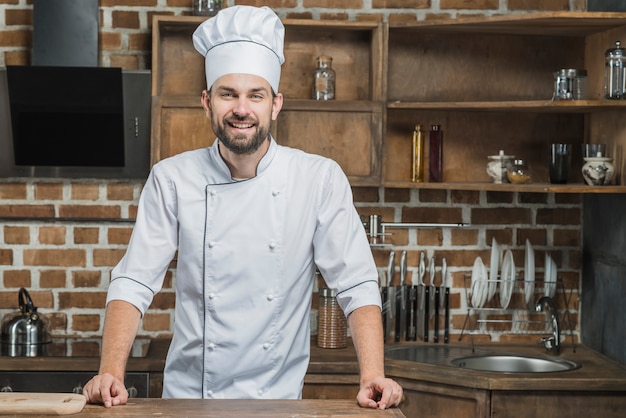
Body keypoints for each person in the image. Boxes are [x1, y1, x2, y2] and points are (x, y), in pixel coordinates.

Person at [82, 5, 403, 410]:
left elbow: (355, 283)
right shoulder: (172, 178)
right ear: (207, 101)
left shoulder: (318, 179)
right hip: (189, 403)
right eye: (227, 94)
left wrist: (373, 375)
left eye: (256, 95)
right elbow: (135, 281)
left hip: (278, 404)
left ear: (276, 104)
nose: (241, 109)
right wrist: (110, 370)